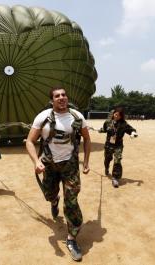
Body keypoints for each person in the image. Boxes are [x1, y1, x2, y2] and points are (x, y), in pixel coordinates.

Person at [25, 86, 91, 261]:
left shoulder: (78, 117)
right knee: (50, 194)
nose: (61, 98)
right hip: (49, 165)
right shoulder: (43, 117)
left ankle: (71, 238)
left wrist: (86, 162)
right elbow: (30, 141)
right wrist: (36, 161)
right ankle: (54, 201)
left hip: (70, 166)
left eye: (63, 95)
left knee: (72, 201)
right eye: (57, 96)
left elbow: (87, 138)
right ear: (52, 100)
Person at [98, 107, 138, 188]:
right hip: (108, 145)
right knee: (107, 159)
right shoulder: (108, 122)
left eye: (119, 116)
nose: (116, 116)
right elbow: (105, 129)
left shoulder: (124, 124)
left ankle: (115, 178)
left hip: (118, 145)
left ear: (121, 116)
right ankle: (106, 167)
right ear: (113, 113)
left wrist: (133, 133)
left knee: (117, 160)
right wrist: (100, 130)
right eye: (115, 114)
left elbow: (131, 130)